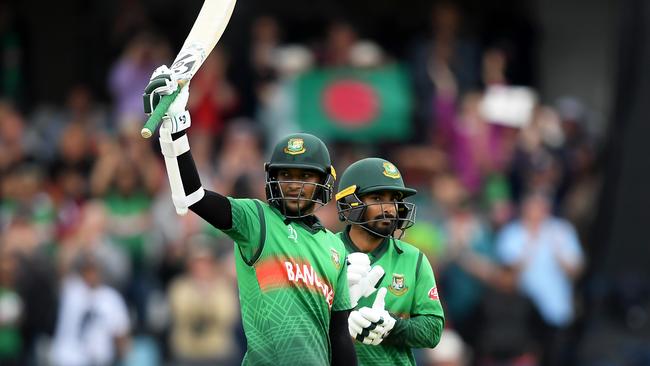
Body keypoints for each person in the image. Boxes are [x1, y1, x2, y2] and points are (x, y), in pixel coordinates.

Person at [142, 66, 356, 365]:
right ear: (272, 180)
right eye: (286, 175)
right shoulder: (257, 219)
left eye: (305, 177)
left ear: (323, 184)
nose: (294, 184)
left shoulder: (334, 248)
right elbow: (194, 196)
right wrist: (176, 129)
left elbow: (339, 336)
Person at [335, 157, 444, 365]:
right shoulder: (325, 251)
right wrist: (339, 318)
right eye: (377, 198)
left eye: (394, 199)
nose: (390, 209)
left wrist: (392, 326)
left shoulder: (414, 259)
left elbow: (433, 330)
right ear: (349, 203)